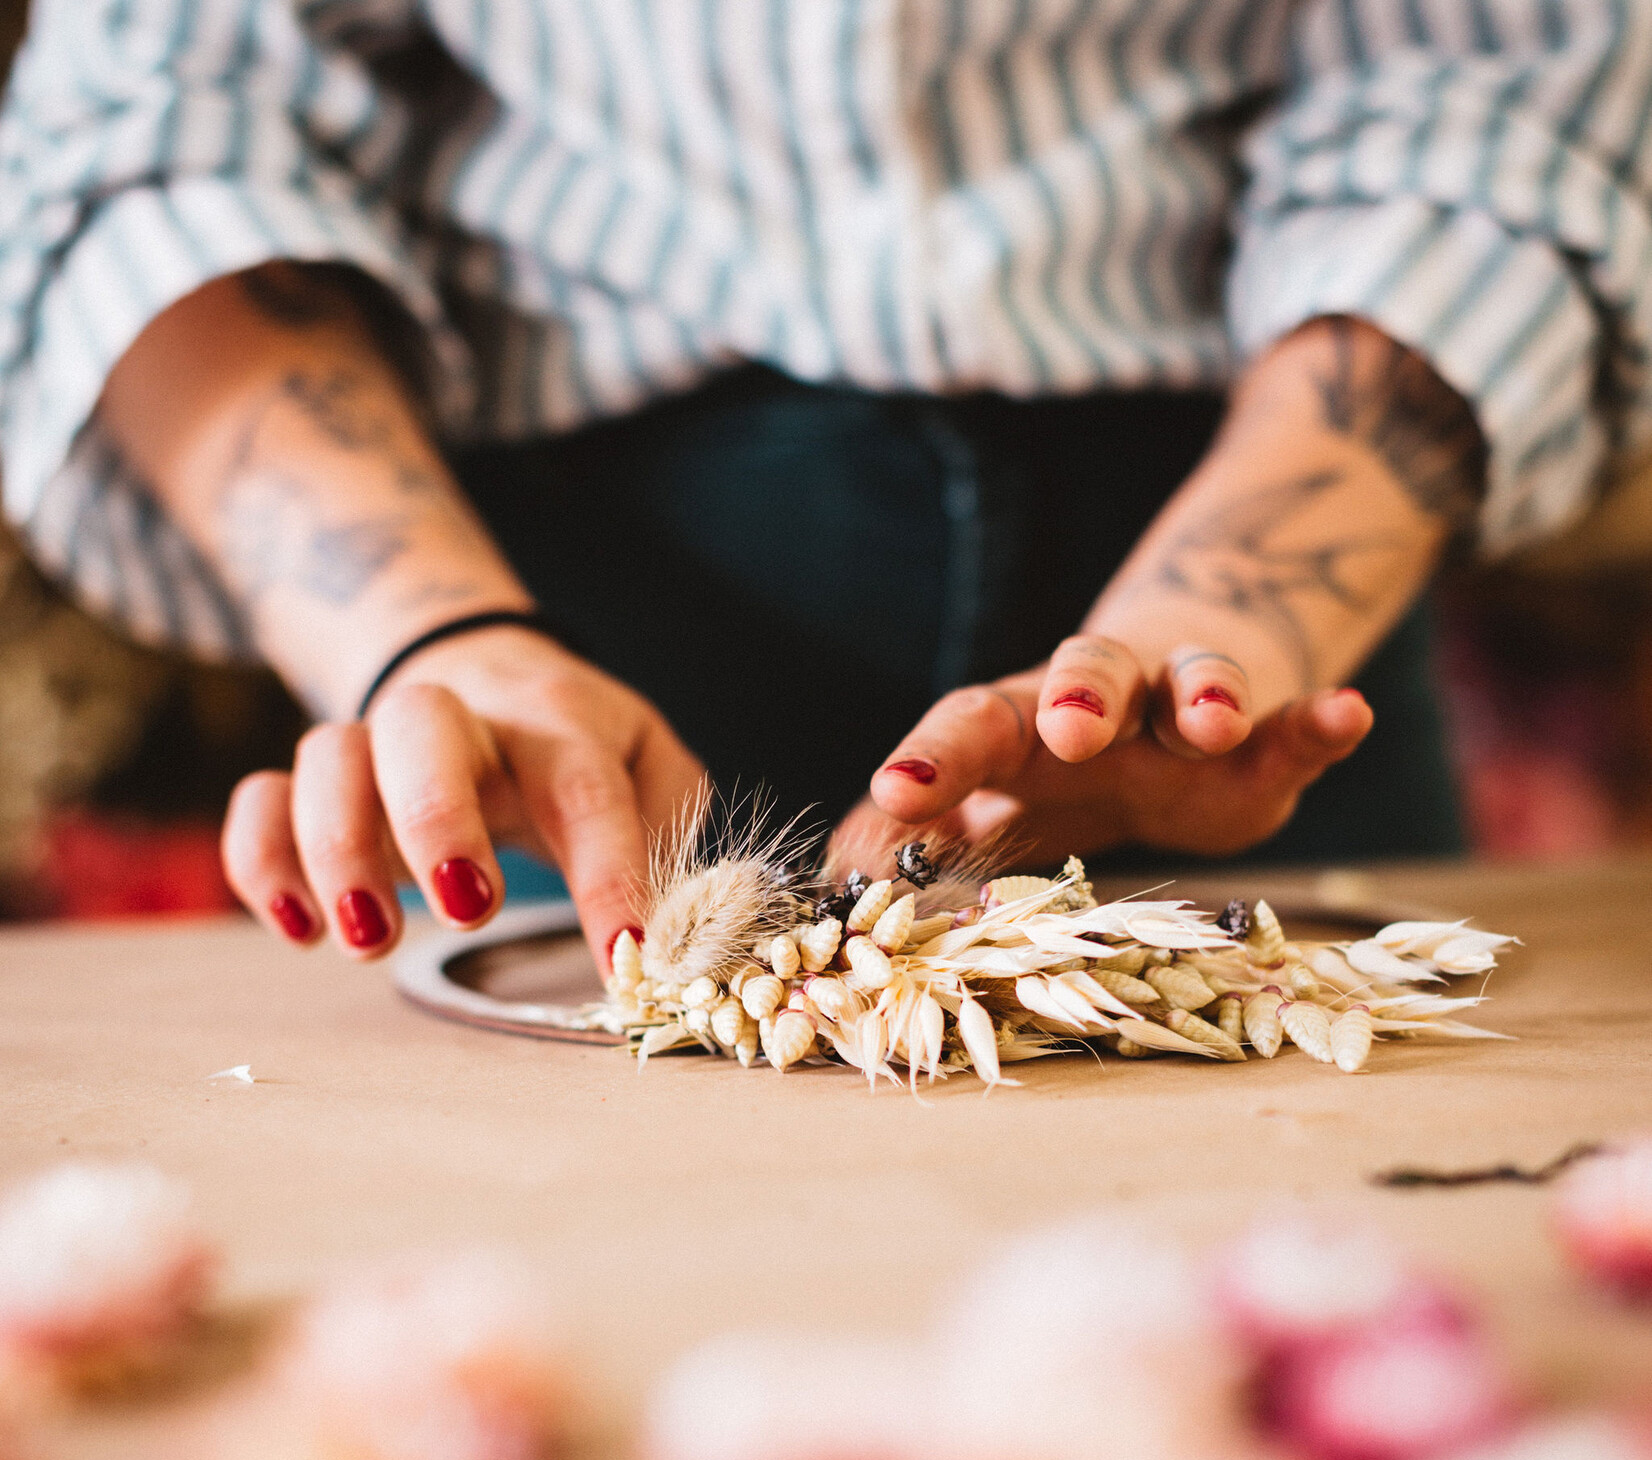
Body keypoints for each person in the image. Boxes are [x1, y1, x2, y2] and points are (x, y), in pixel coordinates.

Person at [0, 2, 1646, 973]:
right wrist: (425, 643)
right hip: (560, 702)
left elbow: (1498, 100)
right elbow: (162, 124)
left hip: (1244, 665)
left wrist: (1218, 627)